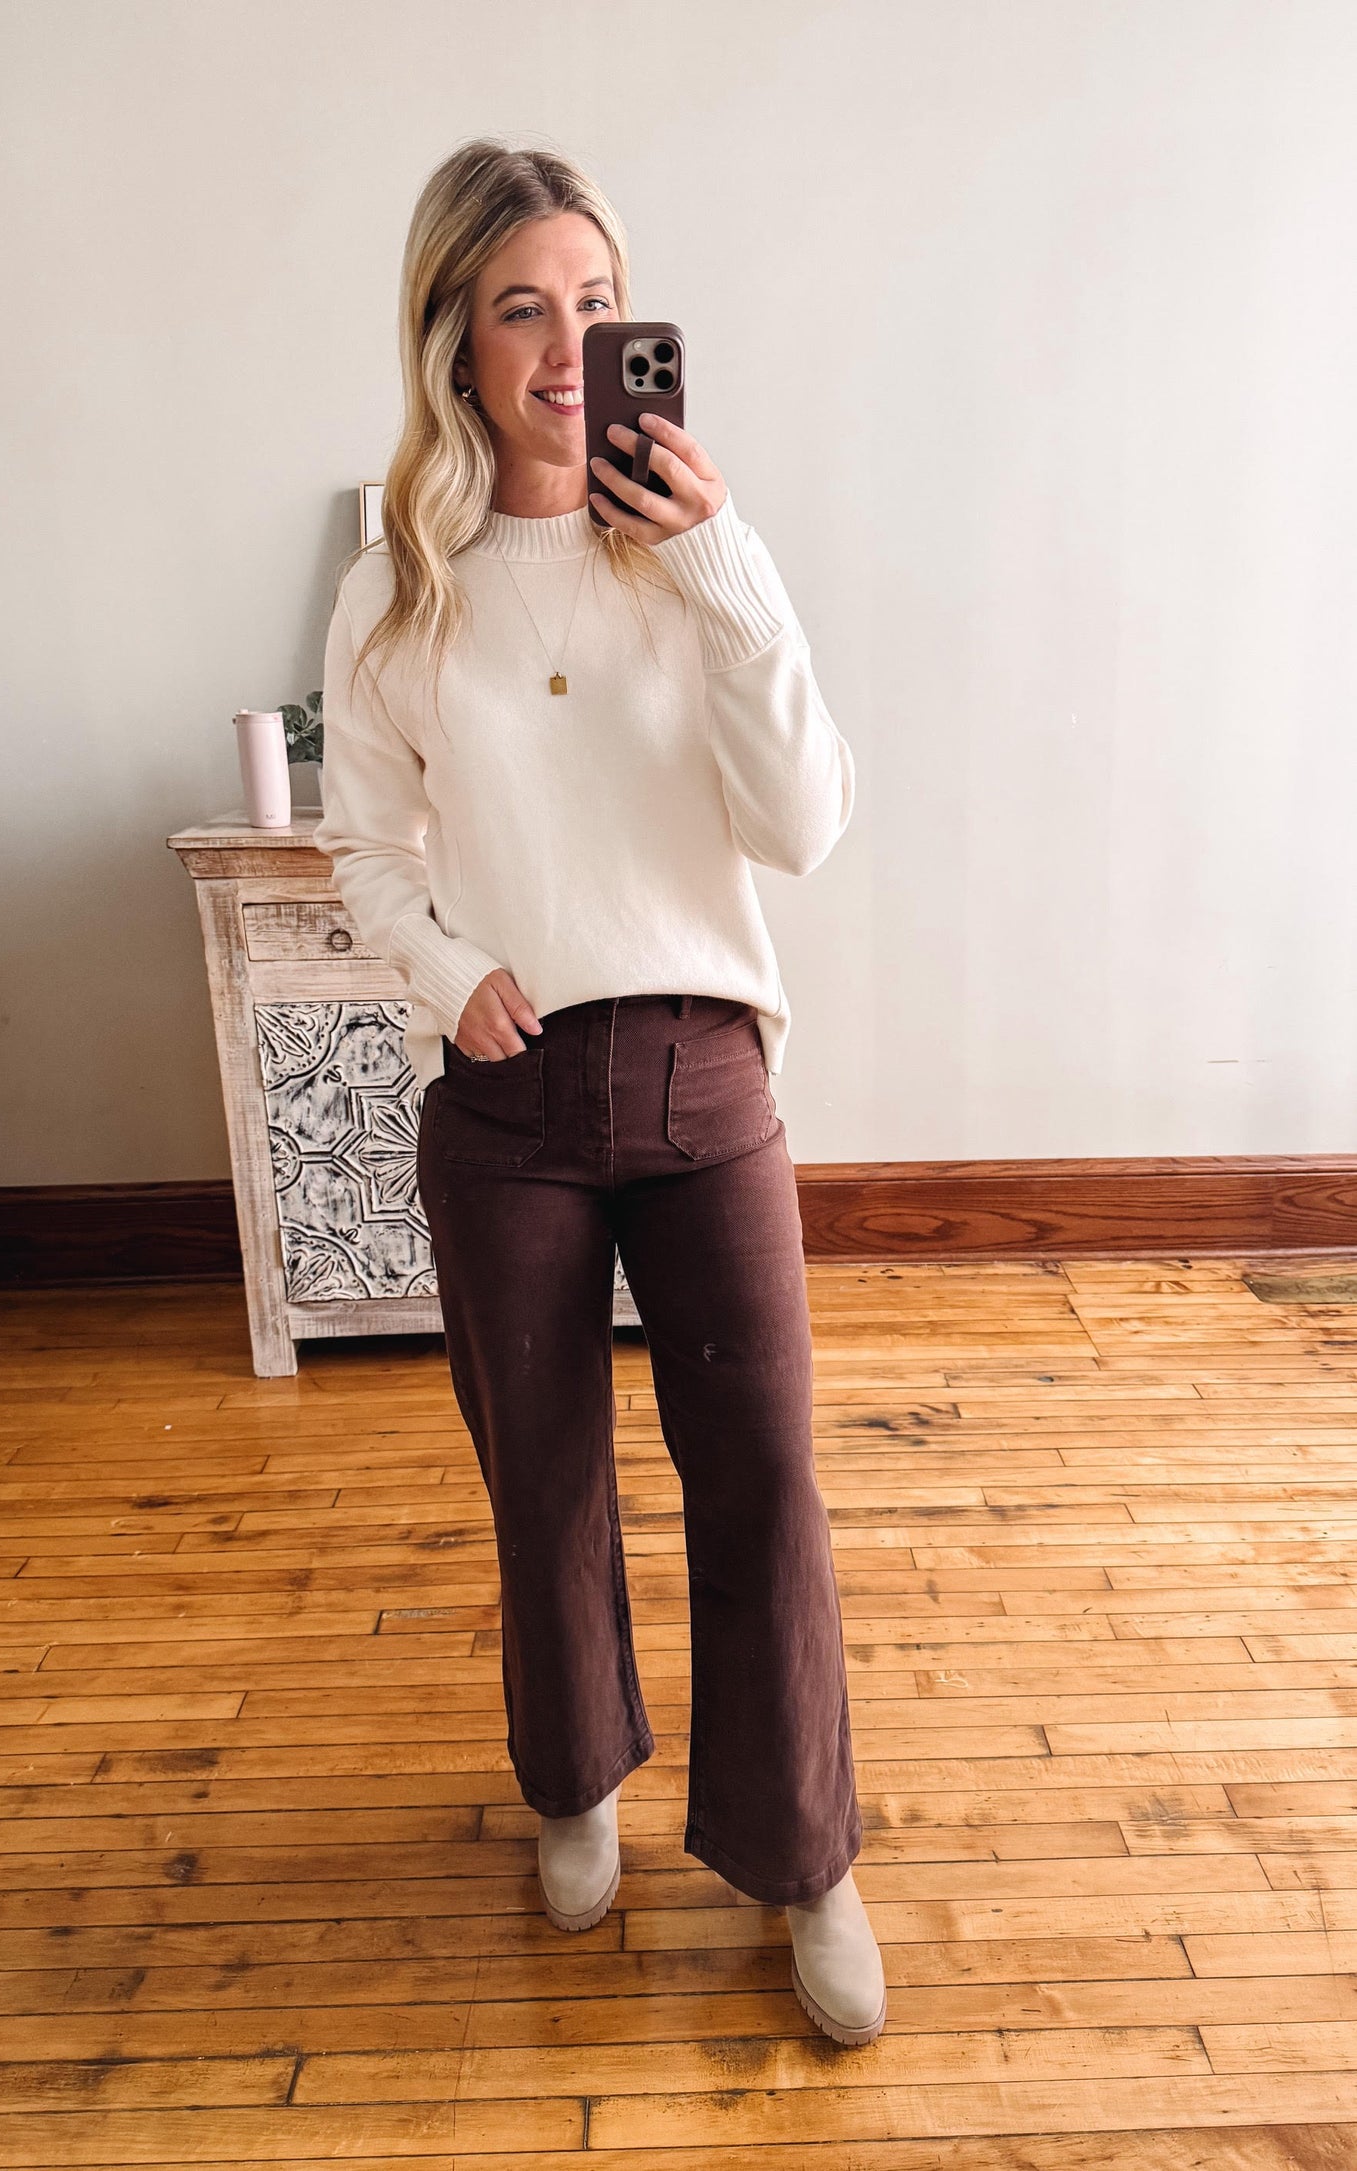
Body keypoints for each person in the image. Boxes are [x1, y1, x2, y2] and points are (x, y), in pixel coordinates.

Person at [312, 136, 883, 2046]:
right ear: (455, 345)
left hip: (705, 1071)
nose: (569, 347)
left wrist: (721, 568)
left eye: (596, 302)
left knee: (765, 1479)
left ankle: (803, 1856)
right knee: (541, 1473)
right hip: (506, 1093)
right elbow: (364, 848)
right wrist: (443, 969)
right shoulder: (398, 593)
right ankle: (573, 1784)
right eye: (520, 309)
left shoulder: (707, 557)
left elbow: (801, 827)